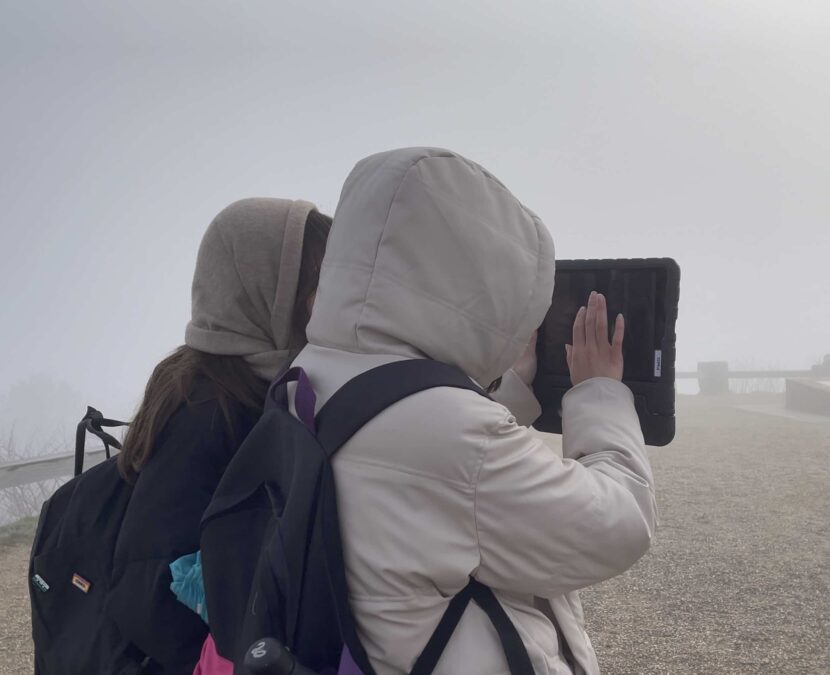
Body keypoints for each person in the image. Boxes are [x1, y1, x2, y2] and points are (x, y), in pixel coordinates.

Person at [291, 147, 656, 674]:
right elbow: (618, 525)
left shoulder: (314, 371)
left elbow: (420, 479)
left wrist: (507, 385)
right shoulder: (451, 432)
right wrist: (600, 392)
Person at [105, 198, 331, 674]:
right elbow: (146, 585)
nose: (324, 303)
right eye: (311, 287)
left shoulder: (261, 382)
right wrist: (239, 655)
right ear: (261, 289)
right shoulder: (209, 404)